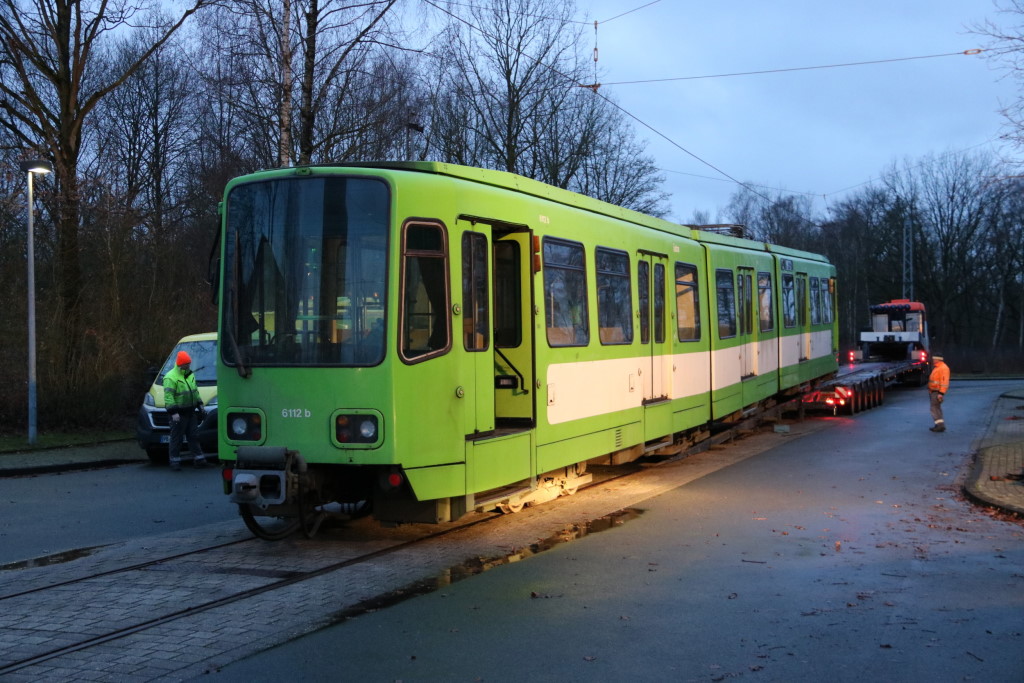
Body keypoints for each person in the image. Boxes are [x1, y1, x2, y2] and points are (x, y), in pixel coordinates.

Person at [163, 350, 207, 470]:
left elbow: (195, 391)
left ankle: (199, 459)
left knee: (193, 436)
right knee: (176, 438)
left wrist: (200, 404)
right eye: (186, 363)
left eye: (189, 363)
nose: (188, 365)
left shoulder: (189, 374)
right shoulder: (170, 378)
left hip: (190, 411)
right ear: (180, 364)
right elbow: (169, 397)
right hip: (179, 413)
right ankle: (175, 462)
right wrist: (173, 413)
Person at [928, 354, 950, 433]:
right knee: (937, 408)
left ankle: (939, 425)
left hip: (937, 392)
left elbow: (944, 382)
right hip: (935, 391)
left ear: (938, 359)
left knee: (934, 408)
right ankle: (940, 425)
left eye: (934, 359)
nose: (933, 360)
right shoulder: (938, 367)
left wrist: (941, 393)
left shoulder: (943, 368)